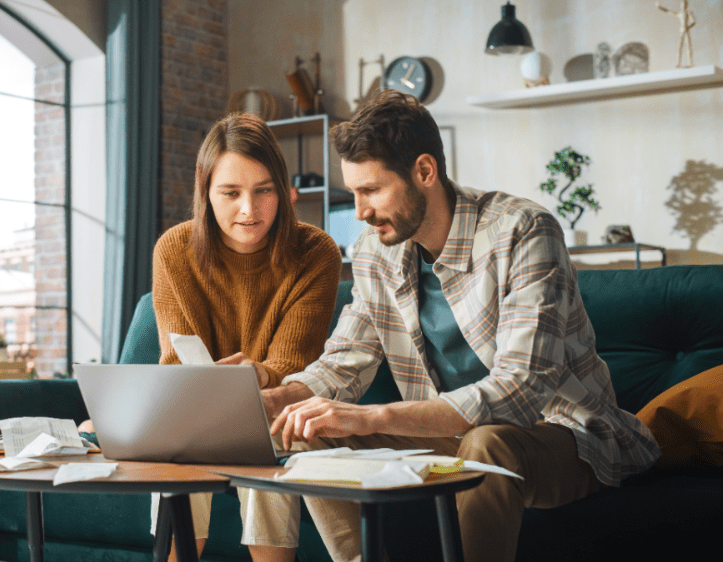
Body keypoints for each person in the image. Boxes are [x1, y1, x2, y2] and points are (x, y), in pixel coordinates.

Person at [261, 90, 661, 562]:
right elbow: (342, 364)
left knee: (486, 442)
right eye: (354, 193)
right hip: (446, 437)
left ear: (424, 171)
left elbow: (520, 390)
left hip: (561, 434)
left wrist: (375, 415)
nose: (361, 212)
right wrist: (272, 400)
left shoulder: (524, 230)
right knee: (305, 427)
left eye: (371, 191)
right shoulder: (374, 252)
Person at [84, 112, 342, 562]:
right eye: (231, 192)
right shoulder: (174, 250)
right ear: (206, 192)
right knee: (182, 447)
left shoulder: (316, 251)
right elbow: (176, 364)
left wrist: (258, 374)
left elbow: (294, 366)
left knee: (267, 439)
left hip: (277, 409)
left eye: (264, 191)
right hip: (194, 414)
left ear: (283, 191)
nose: (249, 208)